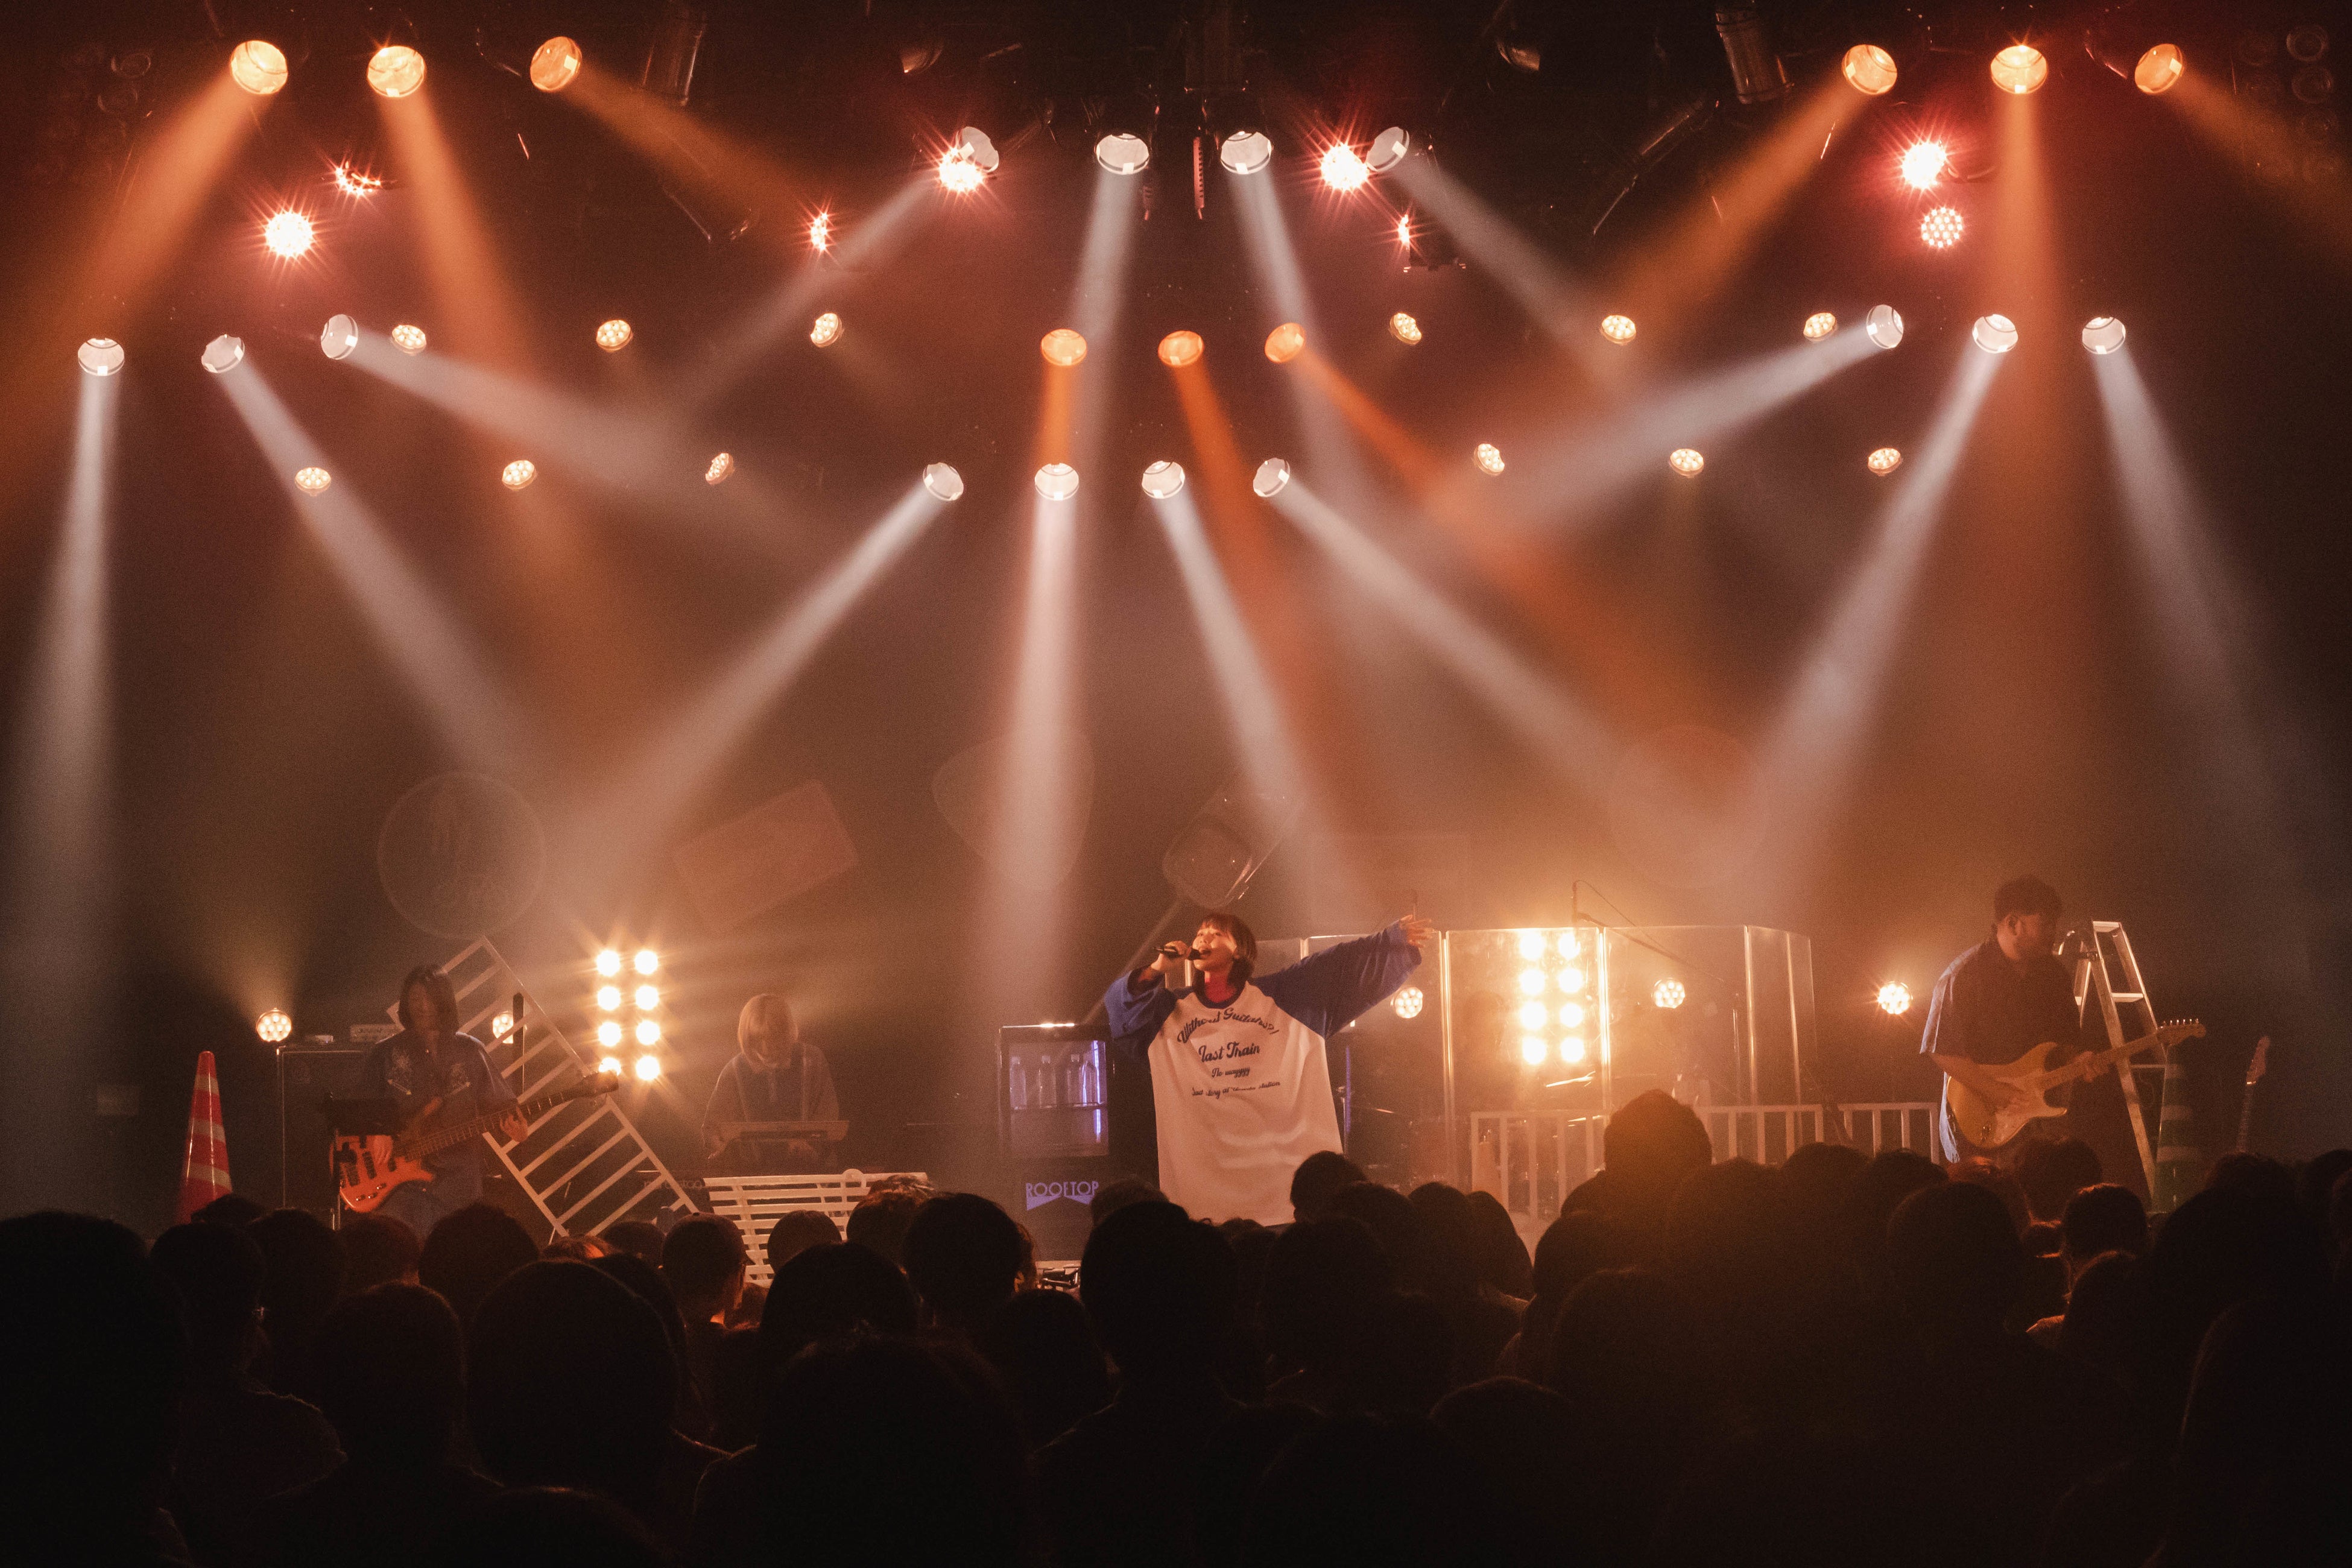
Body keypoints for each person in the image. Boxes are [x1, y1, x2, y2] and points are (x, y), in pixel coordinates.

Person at [1103, 911, 1434, 1225]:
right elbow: (1121, 1011)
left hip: (1288, 1200)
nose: (1203, 938)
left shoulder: (1285, 998)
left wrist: (1391, 942)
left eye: (1216, 933)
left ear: (1239, 951)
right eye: (1200, 932)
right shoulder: (1167, 1012)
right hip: (1205, 1203)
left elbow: (1336, 967)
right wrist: (1157, 969)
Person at [1918, 876, 2140, 1190]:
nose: (2054, 933)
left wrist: (2080, 1060)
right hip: (1981, 1123)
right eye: (2045, 924)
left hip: (2043, 1124)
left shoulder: (2054, 975)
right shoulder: (1964, 974)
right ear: (2013, 923)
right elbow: (1941, 1050)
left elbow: (2064, 1044)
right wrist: (1996, 1091)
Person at [351, 966, 526, 1236]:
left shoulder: (470, 1051)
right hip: (400, 1191)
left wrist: (516, 1127)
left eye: (429, 998)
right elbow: (356, 1109)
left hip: (459, 1186)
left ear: (443, 1001)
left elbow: (501, 1105)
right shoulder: (384, 1053)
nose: (421, 1007)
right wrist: (376, 1131)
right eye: (415, 999)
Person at [701, 994, 839, 1172]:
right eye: (757, 1039)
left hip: (811, 1171)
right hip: (751, 1175)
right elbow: (714, 1125)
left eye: (773, 1039)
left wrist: (812, 1146)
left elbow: (827, 1114)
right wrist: (718, 1144)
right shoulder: (734, 1070)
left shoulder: (811, 1061)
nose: (766, 1048)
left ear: (787, 1032)